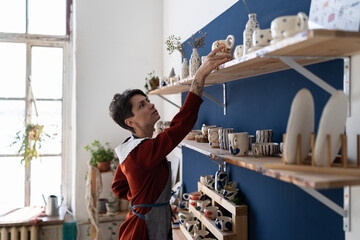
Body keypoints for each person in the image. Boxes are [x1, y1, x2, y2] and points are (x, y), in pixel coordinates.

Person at [108, 46, 231, 240]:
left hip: (147, 221)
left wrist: (145, 199)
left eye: (147, 100)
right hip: (143, 231)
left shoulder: (130, 146)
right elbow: (181, 125)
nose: (151, 105)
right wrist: (199, 76)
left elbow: (118, 187)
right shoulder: (143, 151)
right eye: (142, 105)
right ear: (130, 122)